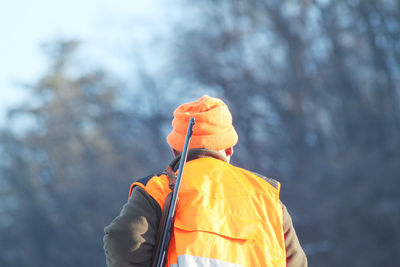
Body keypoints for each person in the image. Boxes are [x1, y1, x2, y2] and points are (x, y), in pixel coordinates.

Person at [103, 95, 307, 267]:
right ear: (229, 149)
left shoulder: (158, 189)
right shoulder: (267, 197)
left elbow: (123, 240)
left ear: (175, 150)